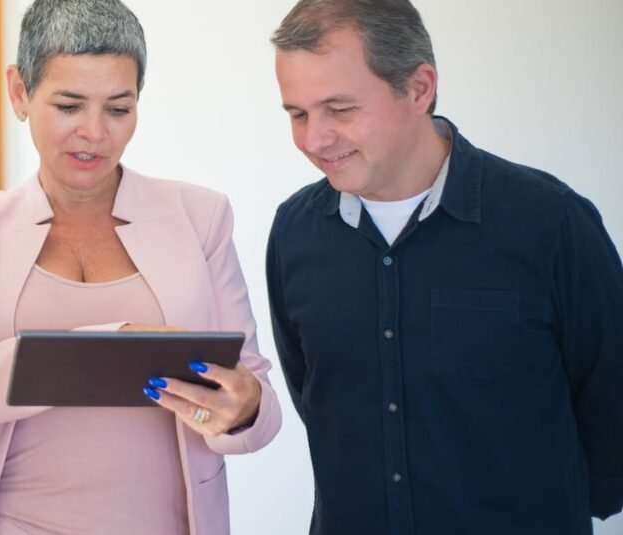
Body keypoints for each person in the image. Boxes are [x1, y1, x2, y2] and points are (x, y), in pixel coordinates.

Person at [0, 1, 282, 533]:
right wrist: (117, 342)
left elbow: (256, 398)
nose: (94, 132)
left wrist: (246, 406)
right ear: (19, 91)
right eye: (69, 105)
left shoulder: (200, 217)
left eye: (118, 108)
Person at [266, 0, 623, 533]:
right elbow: (313, 395)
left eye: (339, 110)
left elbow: (611, 407)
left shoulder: (551, 222)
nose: (314, 139)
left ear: (418, 88)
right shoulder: (294, 231)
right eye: (297, 114)